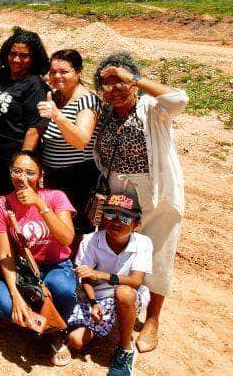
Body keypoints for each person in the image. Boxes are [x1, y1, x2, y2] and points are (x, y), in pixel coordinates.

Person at [92, 51, 188, 353]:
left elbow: (179, 99)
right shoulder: (106, 113)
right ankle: (118, 305)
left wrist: (134, 78)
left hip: (156, 194)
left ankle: (152, 321)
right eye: (107, 84)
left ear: (134, 81)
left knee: (158, 256)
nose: (115, 89)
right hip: (119, 192)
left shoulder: (151, 109)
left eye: (120, 82)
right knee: (124, 251)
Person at [0, 150, 77, 367]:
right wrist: (16, 295)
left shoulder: (56, 197)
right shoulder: (1, 205)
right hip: (23, 269)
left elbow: (67, 238)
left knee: (63, 288)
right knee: (2, 303)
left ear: (41, 175)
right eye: (17, 171)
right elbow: (5, 254)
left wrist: (39, 204)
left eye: (30, 172)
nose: (22, 177)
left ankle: (56, 334)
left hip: (56, 264)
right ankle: (41, 321)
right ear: (10, 173)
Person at [68, 194, 152, 376]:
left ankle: (125, 349)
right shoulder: (90, 240)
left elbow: (136, 281)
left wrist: (100, 274)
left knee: (124, 293)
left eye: (124, 217)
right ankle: (102, 323)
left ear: (136, 223)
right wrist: (93, 303)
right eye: (109, 215)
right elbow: (86, 278)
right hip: (96, 297)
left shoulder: (143, 243)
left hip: (127, 296)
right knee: (75, 341)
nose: (116, 222)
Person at [0, 28, 50, 197]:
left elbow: (35, 130)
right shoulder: (0, 74)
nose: (16, 59)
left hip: (10, 158)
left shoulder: (35, 86)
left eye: (24, 56)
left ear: (33, 58)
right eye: (12, 53)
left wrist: (20, 167)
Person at [37, 49, 102, 249]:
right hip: (53, 174)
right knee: (56, 223)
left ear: (78, 71)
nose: (57, 76)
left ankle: (75, 272)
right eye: (53, 72)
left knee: (76, 228)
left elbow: (81, 140)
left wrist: (58, 116)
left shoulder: (87, 101)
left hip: (78, 176)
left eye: (64, 71)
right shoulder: (53, 96)